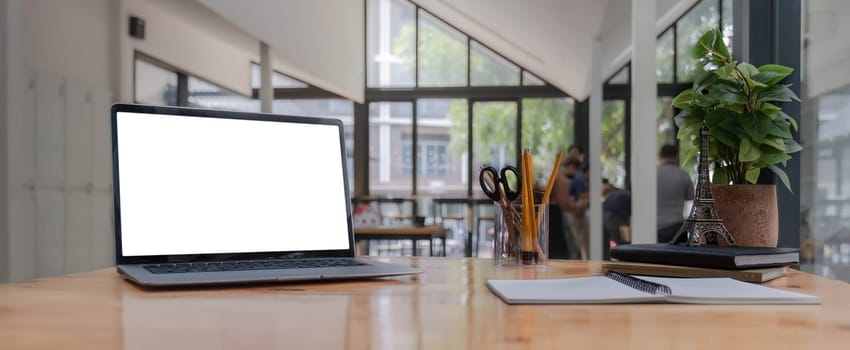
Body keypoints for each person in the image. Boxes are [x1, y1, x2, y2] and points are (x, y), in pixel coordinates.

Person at [548, 158, 586, 259]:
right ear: (572, 167)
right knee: (561, 251)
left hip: (551, 214)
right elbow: (565, 205)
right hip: (556, 217)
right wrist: (581, 204)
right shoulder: (562, 181)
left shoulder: (554, 177)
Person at [656, 144, 694, 243]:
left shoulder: (653, 174)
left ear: (659, 157)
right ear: (676, 157)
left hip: (655, 227)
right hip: (676, 227)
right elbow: (690, 197)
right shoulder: (683, 175)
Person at [602, 188, 631, 260]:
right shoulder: (630, 196)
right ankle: (623, 261)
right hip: (614, 217)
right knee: (621, 241)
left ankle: (606, 261)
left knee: (606, 243)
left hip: (603, 215)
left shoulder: (616, 193)